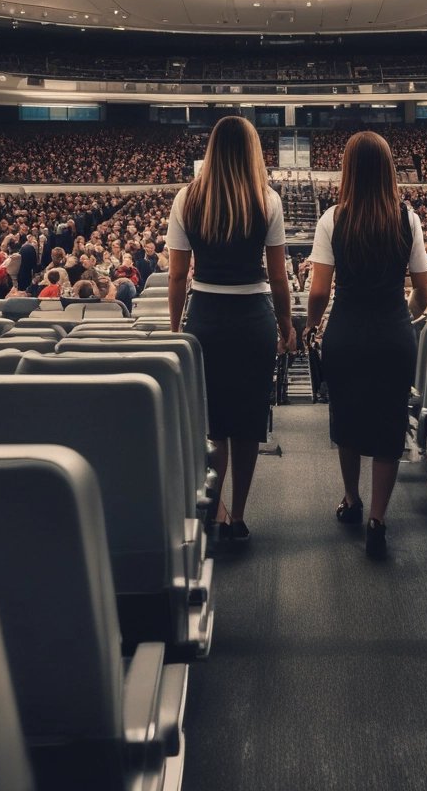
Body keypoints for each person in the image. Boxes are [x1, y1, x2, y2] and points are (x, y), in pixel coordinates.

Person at [304, 132, 427, 560]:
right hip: (393, 333)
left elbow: (319, 291)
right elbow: (424, 293)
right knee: (389, 425)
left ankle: (351, 500)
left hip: (347, 332)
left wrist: (314, 325)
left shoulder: (332, 219)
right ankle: (378, 519)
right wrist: (404, 317)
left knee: (348, 419)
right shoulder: (406, 218)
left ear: (348, 170)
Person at [167, 116, 294, 542]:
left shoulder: (187, 197)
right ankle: (237, 516)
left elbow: (177, 276)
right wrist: (284, 325)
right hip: (253, 319)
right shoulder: (268, 200)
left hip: (206, 316)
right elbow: (278, 278)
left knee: (215, 424)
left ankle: (214, 510)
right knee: (247, 424)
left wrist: (175, 327)